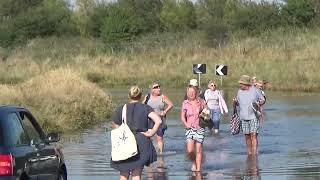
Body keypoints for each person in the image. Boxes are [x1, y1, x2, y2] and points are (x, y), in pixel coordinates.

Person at [110, 86, 162, 180]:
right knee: (136, 174)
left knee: (123, 174)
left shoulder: (122, 108)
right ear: (140, 96)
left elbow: (115, 125)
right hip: (141, 141)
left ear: (129, 95)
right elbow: (158, 120)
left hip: (125, 142)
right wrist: (152, 132)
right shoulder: (146, 108)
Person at [233, 75, 265, 155]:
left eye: (242, 84)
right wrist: (235, 102)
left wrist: (259, 103)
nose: (240, 85)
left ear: (246, 84)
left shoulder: (255, 90)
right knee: (247, 136)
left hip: (253, 116)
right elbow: (238, 103)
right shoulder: (239, 92)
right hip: (243, 116)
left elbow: (263, 100)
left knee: (253, 134)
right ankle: (249, 152)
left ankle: (254, 153)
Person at [142, 82, 173, 155]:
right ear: (152, 90)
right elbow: (142, 105)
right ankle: (149, 152)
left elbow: (171, 105)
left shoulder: (162, 97)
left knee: (159, 137)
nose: (159, 89)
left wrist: (164, 112)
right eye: (156, 87)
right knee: (148, 136)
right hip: (150, 119)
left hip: (160, 119)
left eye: (159, 87)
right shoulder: (148, 96)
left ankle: (161, 154)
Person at [181, 86, 207, 172]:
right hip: (189, 128)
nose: (191, 94)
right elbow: (182, 116)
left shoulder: (202, 102)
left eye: (193, 92)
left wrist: (204, 114)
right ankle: (194, 163)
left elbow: (207, 112)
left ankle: (198, 169)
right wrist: (185, 124)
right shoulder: (185, 103)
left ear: (196, 93)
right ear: (187, 93)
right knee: (190, 150)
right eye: (189, 92)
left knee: (198, 149)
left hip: (200, 128)